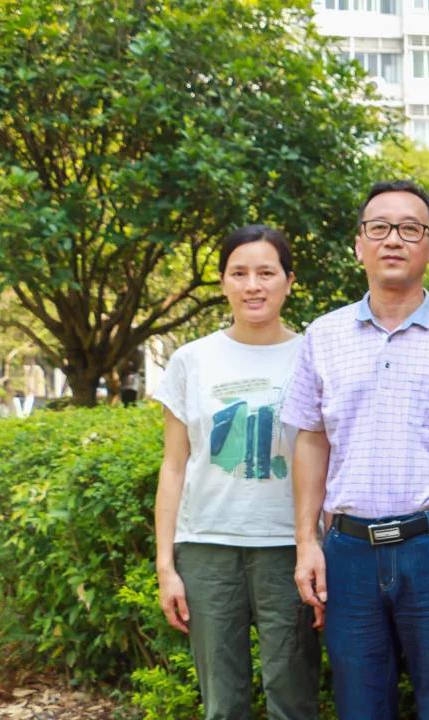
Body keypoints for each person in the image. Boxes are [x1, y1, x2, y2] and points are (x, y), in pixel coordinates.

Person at [282, 180, 429, 720]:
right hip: (348, 551)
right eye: (379, 227)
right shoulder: (323, 335)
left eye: (410, 229)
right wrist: (307, 542)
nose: (393, 240)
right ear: (358, 245)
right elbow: (311, 438)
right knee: (359, 706)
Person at [154, 225, 319, 720]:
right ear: (223, 281)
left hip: (288, 548)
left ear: (289, 281)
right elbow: (173, 466)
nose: (253, 285)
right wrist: (166, 565)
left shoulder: (313, 356)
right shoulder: (191, 360)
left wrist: (319, 545)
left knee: (293, 698)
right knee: (222, 705)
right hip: (207, 548)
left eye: (266, 273)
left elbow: (328, 459)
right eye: (239, 273)